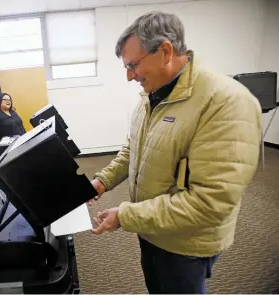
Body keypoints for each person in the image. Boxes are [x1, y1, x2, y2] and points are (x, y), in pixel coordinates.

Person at [88, 11, 262, 294]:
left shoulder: (226, 103)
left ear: (165, 51)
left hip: (185, 244)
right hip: (150, 229)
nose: (129, 76)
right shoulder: (152, 93)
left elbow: (210, 203)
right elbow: (134, 148)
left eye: (133, 65)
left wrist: (125, 215)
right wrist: (102, 181)